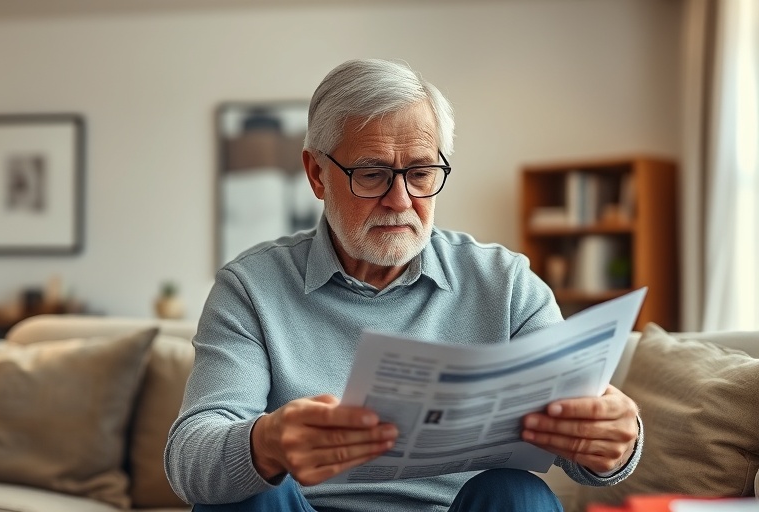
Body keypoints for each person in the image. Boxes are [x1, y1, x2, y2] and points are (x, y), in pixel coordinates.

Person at [165, 58, 642, 512]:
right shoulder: (250, 288)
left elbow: (581, 448)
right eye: (371, 175)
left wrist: (615, 442)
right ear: (316, 174)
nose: (401, 200)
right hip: (305, 507)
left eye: (420, 173)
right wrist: (265, 443)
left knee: (517, 493)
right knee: (244, 495)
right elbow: (191, 458)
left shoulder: (506, 284)